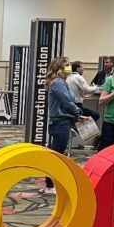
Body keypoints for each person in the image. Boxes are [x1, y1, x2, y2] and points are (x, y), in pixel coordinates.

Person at [44, 56, 86, 195]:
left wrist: (76, 115)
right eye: (67, 65)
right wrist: (78, 112)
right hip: (60, 122)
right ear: (59, 67)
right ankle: (50, 185)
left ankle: (50, 183)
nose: (69, 67)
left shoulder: (61, 82)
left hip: (62, 121)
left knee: (56, 154)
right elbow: (67, 102)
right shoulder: (58, 83)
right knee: (57, 155)